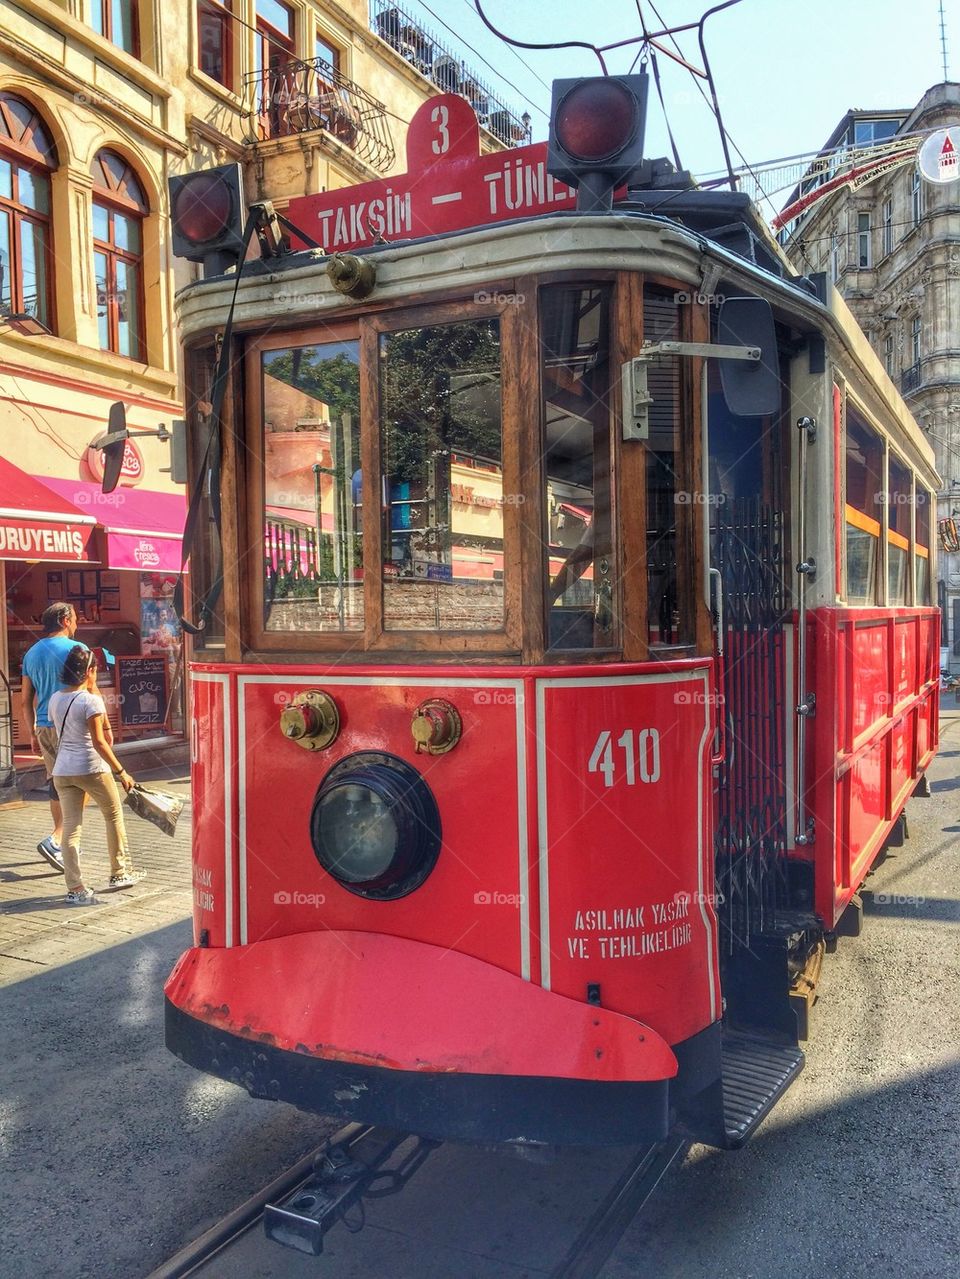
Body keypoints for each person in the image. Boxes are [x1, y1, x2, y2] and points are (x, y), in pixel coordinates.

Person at [49, 645, 141, 905]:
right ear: (89, 671)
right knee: (113, 815)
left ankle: (75, 887)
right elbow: (101, 742)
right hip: (91, 767)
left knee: (71, 828)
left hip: (62, 771)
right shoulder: (91, 700)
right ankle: (119, 872)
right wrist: (121, 771)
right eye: (96, 670)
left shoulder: (56, 698)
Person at [21, 602, 87, 871]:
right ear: (64, 620)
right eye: (74, 618)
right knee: (82, 783)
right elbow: (88, 690)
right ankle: (60, 839)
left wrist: (32, 731)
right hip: (71, 724)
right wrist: (101, 728)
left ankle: (62, 839)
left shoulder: (31, 653)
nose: (76, 624)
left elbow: (26, 700)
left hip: (44, 725)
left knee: (57, 781)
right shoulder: (77, 650)